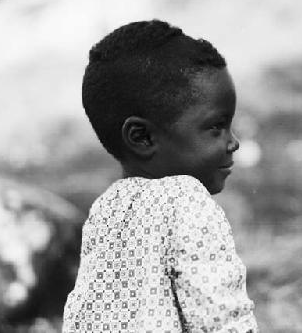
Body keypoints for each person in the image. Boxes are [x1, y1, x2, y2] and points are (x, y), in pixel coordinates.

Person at [62, 20, 258, 333]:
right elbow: (222, 319)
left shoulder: (105, 210)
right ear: (142, 137)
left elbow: (84, 317)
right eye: (216, 127)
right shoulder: (188, 203)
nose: (233, 142)